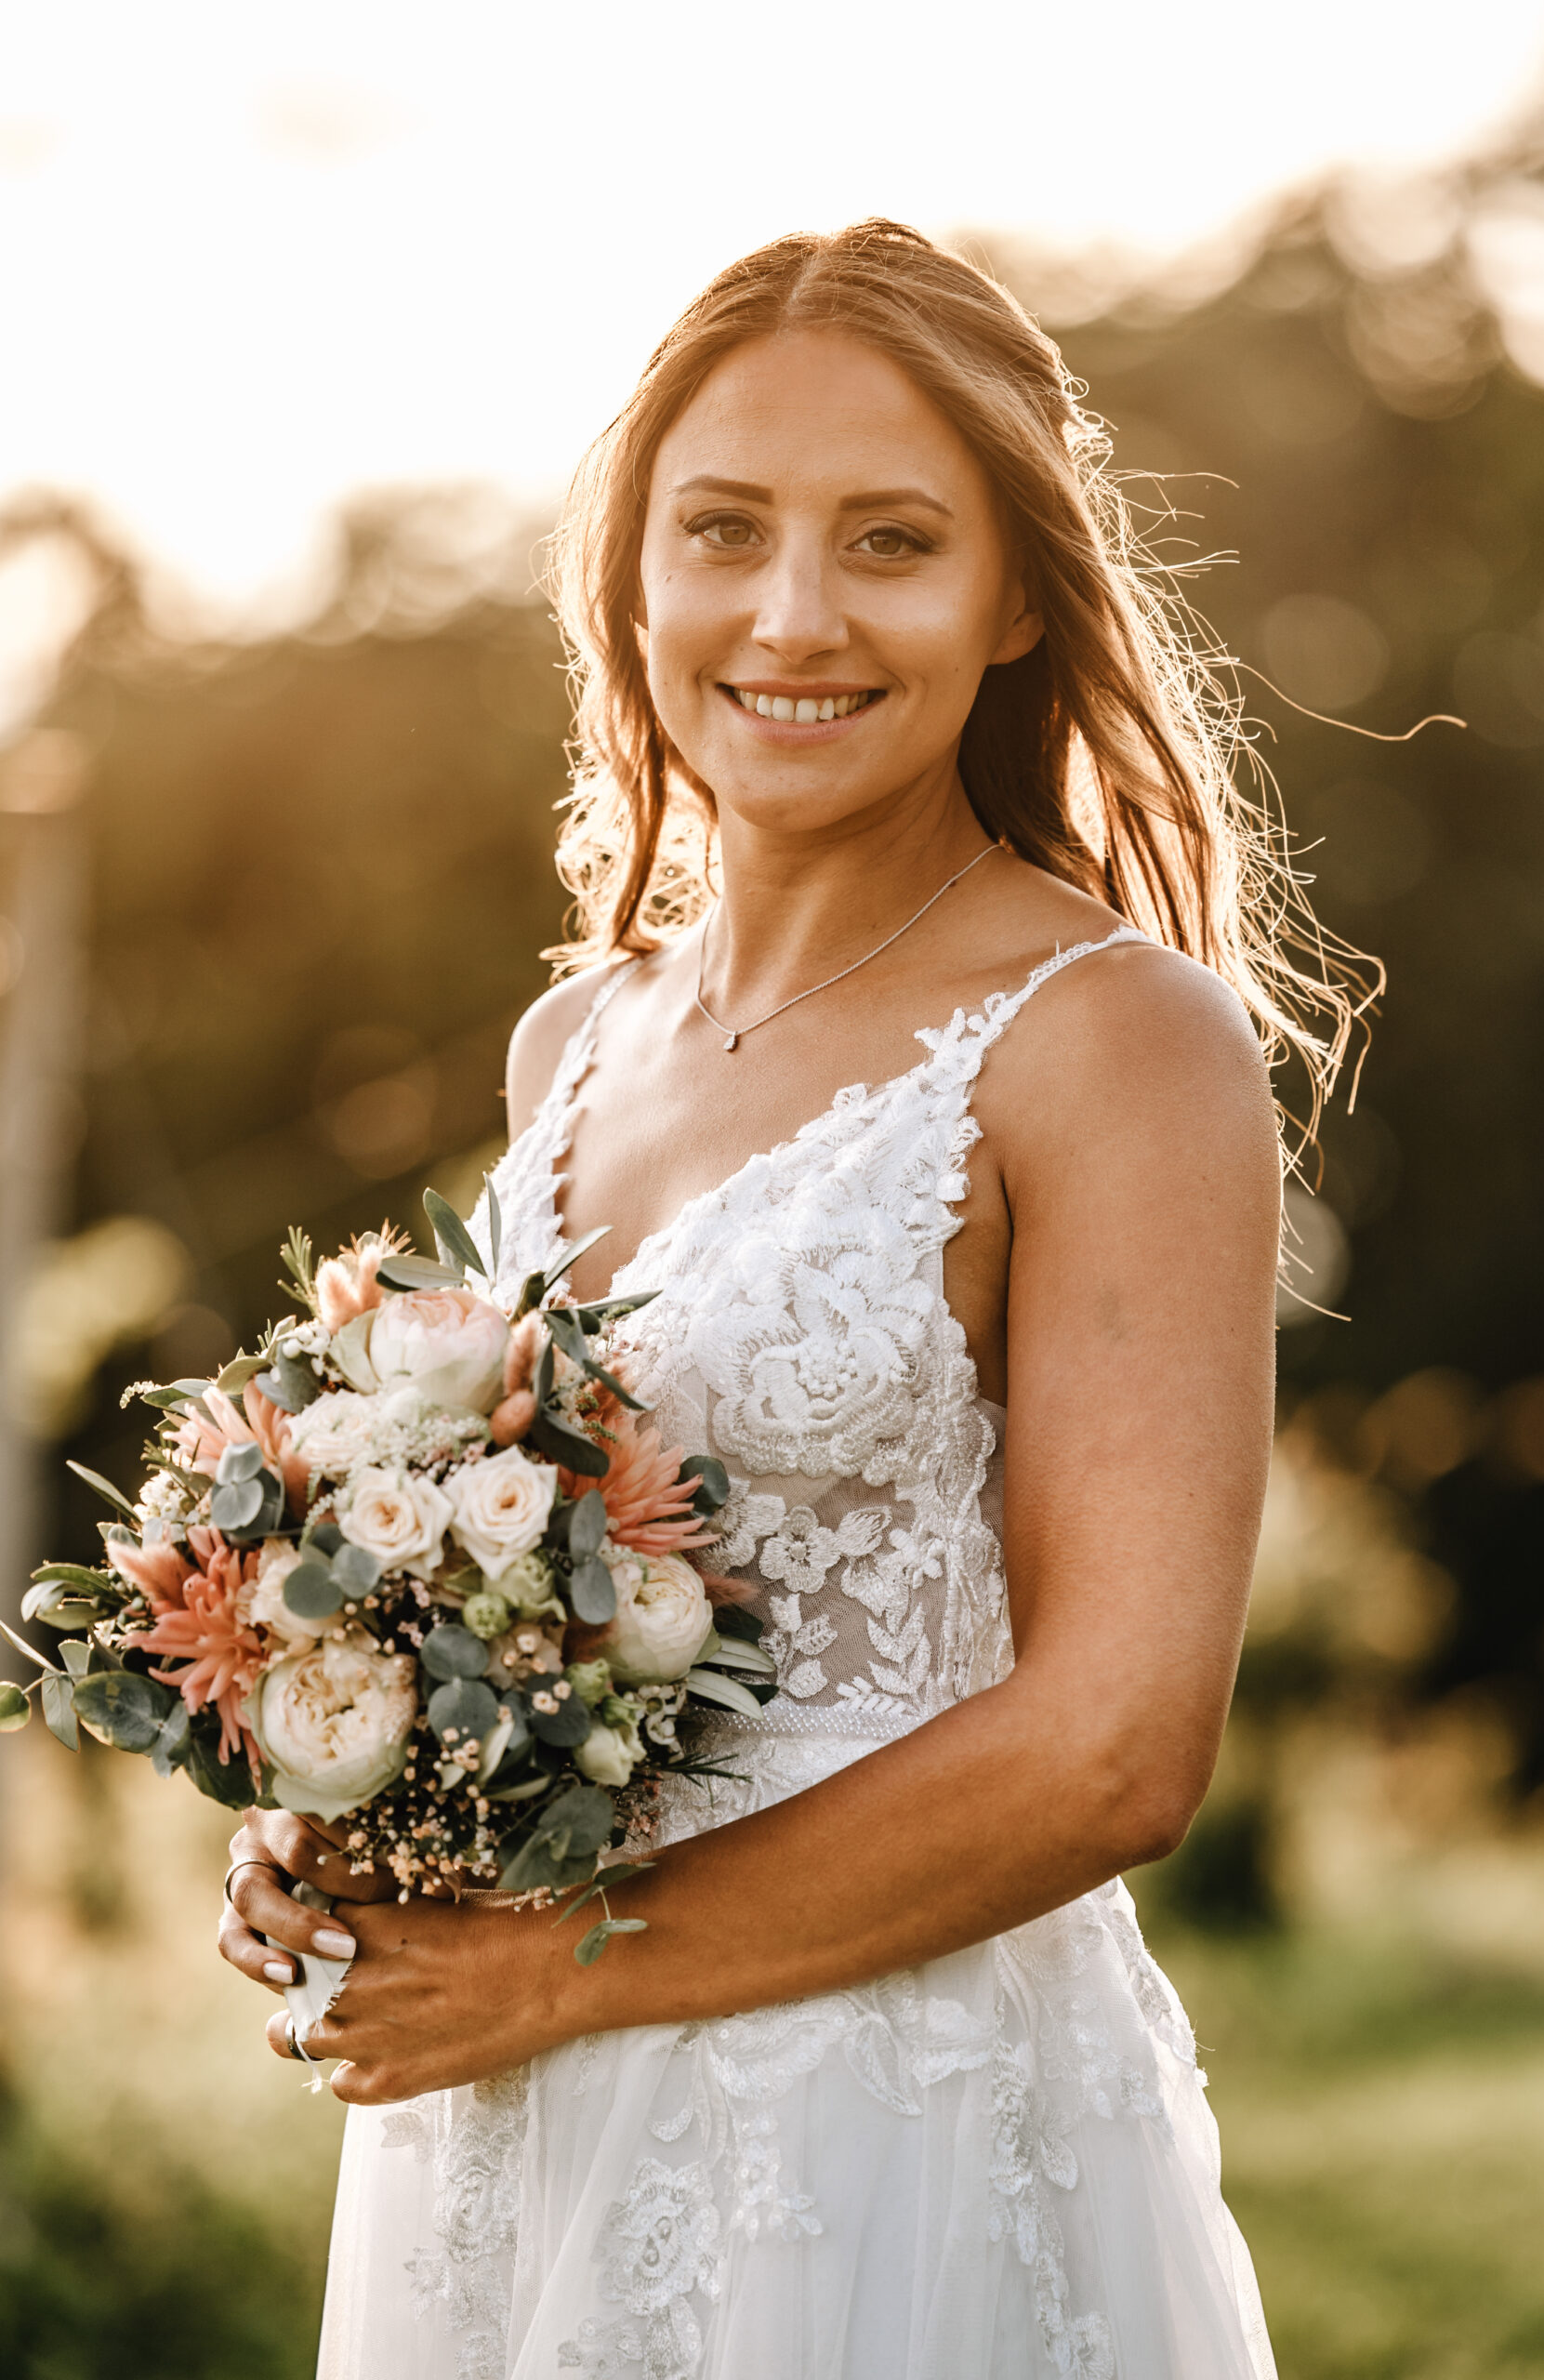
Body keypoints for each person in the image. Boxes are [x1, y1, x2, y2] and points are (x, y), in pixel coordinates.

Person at [220, 219, 1366, 2378]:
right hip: (513, 2115)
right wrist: (342, 1805)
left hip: (878, 2110)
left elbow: (1117, 1742)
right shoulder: (573, 1045)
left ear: (1014, 595)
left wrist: (570, 1958)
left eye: (891, 541)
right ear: (629, 576)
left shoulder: (1109, 1037)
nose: (790, 615)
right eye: (722, 531)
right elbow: (543, 1600)